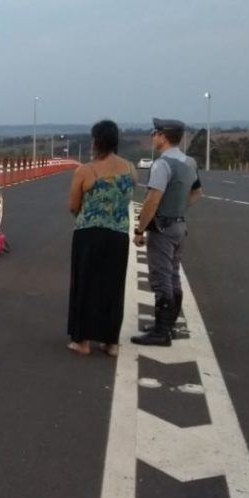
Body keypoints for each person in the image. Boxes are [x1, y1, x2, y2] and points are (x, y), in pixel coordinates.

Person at [66, 120, 136, 356]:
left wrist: (86, 213)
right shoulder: (130, 168)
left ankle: (82, 340)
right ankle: (111, 342)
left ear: (96, 141)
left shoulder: (86, 170)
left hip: (89, 234)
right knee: (112, 287)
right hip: (118, 235)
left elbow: (73, 205)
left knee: (85, 285)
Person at [130, 117, 203, 347]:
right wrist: (179, 209)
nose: (153, 137)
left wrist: (140, 228)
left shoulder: (162, 165)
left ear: (163, 136)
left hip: (162, 227)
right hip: (180, 225)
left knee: (161, 278)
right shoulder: (189, 162)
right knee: (172, 276)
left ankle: (161, 331)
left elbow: (152, 199)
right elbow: (197, 192)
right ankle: (168, 325)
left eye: (155, 133)